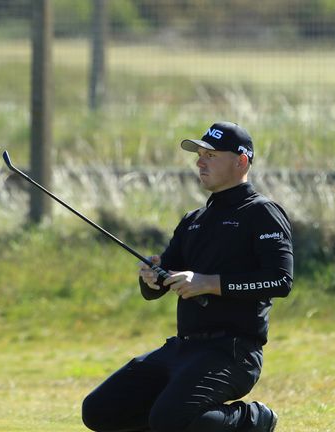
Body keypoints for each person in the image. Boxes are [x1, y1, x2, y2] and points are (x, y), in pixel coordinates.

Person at [82, 121, 294, 432]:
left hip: (232, 352)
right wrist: (151, 278)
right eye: (199, 154)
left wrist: (209, 283)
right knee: (100, 411)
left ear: (241, 161)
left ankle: (254, 420)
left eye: (211, 155)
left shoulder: (262, 213)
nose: (200, 161)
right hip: (182, 349)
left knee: (169, 420)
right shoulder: (194, 220)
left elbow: (279, 280)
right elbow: (158, 284)